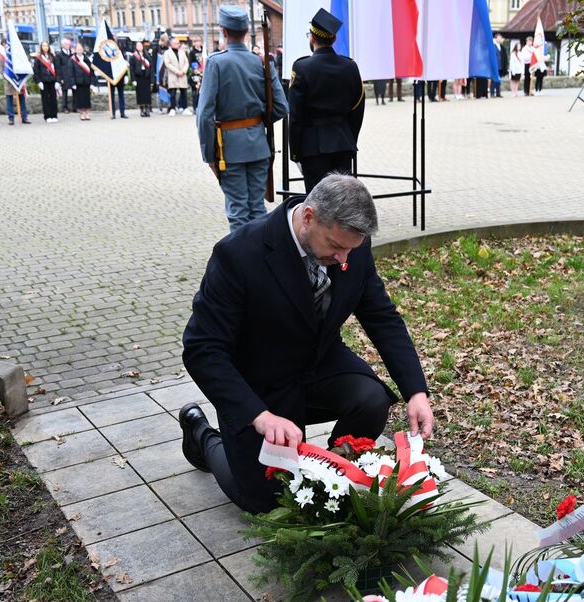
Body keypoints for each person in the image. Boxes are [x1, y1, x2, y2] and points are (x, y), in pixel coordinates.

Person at [179, 174, 435, 514]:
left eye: (350, 249)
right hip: (260, 382)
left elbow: (381, 316)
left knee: (371, 400)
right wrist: (258, 416)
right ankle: (203, 436)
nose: (343, 258)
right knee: (266, 501)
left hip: (319, 363)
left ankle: (333, 475)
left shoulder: (349, 245)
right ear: (309, 217)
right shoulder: (238, 254)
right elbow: (201, 348)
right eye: (335, 246)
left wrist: (416, 391)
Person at [196, 5, 289, 232]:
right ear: (247, 31)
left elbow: (205, 114)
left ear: (223, 31)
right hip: (259, 146)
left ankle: (241, 254)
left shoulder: (216, 62)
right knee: (257, 208)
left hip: (229, 149)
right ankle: (259, 252)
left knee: (238, 211)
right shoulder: (261, 62)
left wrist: (208, 154)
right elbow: (281, 107)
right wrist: (257, 122)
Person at [288, 8, 365, 192]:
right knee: (342, 200)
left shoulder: (302, 67)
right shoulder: (350, 66)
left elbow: (296, 115)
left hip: (312, 147)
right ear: (334, 39)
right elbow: (357, 109)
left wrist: (296, 151)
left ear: (312, 37)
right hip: (343, 143)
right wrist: (349, 139)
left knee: (317, 201)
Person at [33, 41, 59, 123]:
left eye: (47, 46)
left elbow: (58, 69)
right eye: (44, 46)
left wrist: (58, 81)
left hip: (52, 80)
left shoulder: (52, 57)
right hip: (43, 81)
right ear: (41, 47)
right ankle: (47, 116)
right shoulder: (38, 58)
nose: (45, 47)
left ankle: (54, 115)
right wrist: (38, 81)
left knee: (53, 99)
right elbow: (36, 71)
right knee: (45, 99)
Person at [164, 37, 190, 115]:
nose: (177, 45)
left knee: (184, 92)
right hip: (173, 75)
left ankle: (185, 108)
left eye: (178, 43)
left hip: (182, 75)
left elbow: (186, 62)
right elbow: (167, 64)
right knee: (172, 93)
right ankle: (172, 108)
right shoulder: (167, 53)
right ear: (171, 44)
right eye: (176, 43)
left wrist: (183, 71)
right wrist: (177, 71)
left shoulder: (182, 52)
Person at [70, 43, 93, 120]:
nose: (79, 50)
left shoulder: (87, 59)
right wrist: (73, 83)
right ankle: (82, 113)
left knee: (87, 98)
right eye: (78, 49)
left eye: (80, 49)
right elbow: (70, 72)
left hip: (86, 81)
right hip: (78, 82)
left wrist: (92, 82)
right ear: (75, 50)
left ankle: (87, 112)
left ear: (83, 50)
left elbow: (91, 70)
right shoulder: (72, 59)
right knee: (80, 99)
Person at [130, 41, 153, 117]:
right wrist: (133, 80)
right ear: (136, 47)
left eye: (140, 45)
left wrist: (152, 80)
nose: (139, 47)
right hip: (138, 77)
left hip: (146, 77)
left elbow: (151, 68)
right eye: (138, 46)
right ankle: (142, 109)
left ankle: (147, 108)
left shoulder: (147, 55)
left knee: (147, 94)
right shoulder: (134, 56)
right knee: (140, 94)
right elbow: (131, 69)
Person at [55, 38, 74, 113]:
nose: (68, 45)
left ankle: (75, 107)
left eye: (69, 44)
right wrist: (60, 78)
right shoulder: (59, 55)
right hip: (64, 76)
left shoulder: (72, 54)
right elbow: (58, 68)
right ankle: (64, 107)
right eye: (66, 44)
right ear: (62, 45)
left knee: (75, 91)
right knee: (64, 92)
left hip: (71, 75)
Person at [492, 33, 507, 98]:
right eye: (499, 38)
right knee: (493, 80)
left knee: (499, 80)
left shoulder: (501, 46)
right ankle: (492, 93)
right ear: (496, 38)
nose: (500, 39)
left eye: (501, 38)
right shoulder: (493, 46)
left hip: (500, 65)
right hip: (495, 65)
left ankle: (498, 93)